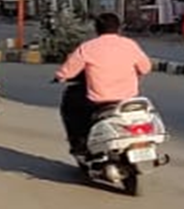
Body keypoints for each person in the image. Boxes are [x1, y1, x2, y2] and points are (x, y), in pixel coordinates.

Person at [54, 12, 152, 155]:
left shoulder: (88, 47)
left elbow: (67, 71)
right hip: (128, 98)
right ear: (119, 28)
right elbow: (146, 68)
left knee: (72, 107)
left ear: (96, 29)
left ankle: (79, 143)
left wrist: (59, 77)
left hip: (99, 100)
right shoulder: (130, 45)